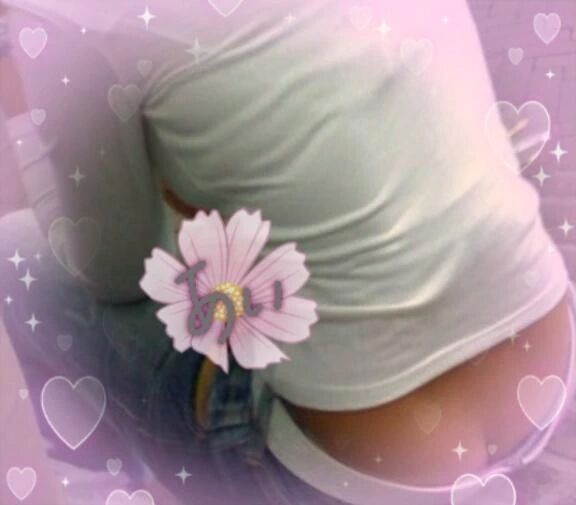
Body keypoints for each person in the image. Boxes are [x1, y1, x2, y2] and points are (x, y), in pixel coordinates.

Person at [1, 0, 575, 504]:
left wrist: (30, 114)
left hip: (359, 475)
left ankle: (117, 481)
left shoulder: (67, 17)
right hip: (544, 376)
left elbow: (112, 275)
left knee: (14, 257)